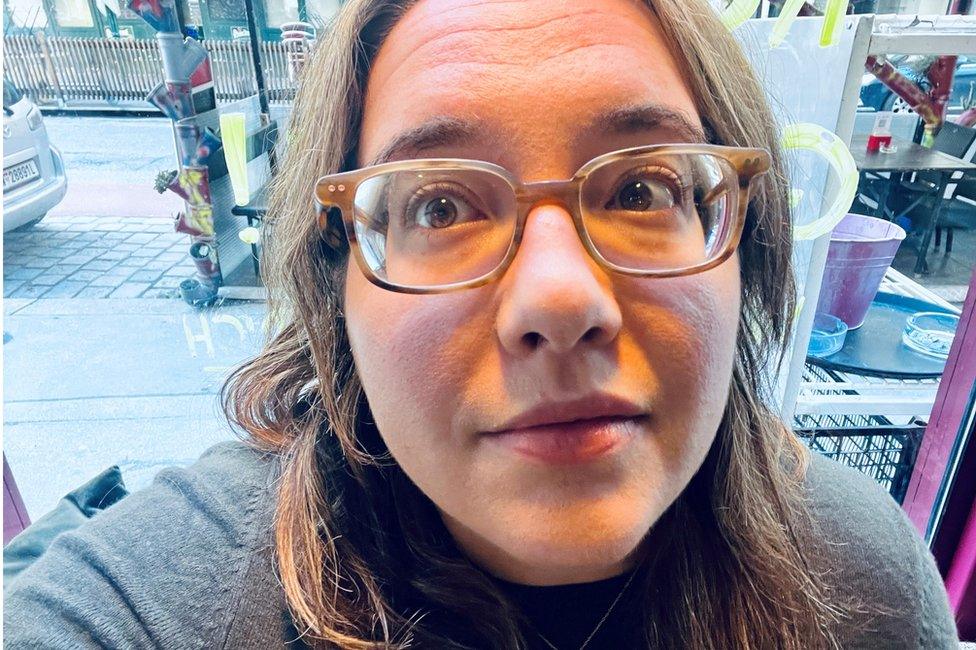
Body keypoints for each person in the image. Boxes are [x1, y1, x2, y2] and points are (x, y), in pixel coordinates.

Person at [3, 0, 959, 648]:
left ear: (746, 251)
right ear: (338, 289)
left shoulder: (858, 587)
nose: (559, 299)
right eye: (438, 208)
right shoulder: (152, 609)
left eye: (641, 186)